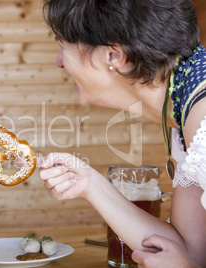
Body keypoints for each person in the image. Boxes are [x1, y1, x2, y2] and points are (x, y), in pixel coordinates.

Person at [38, 0, 206, 267]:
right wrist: (90, 185)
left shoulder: (203, 121)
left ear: (114, 55)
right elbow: (190, 251)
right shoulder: (184, 104)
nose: (59, 62)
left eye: (62, 45)